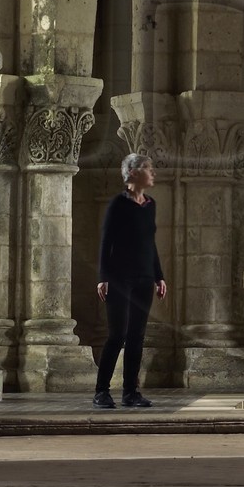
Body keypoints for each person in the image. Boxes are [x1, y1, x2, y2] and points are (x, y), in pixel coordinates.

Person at [93, 152, 167, 409]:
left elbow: (150, 243)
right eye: (148, 168)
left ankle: (130, 393)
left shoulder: (150, 205)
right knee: (117, 335)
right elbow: (106, 242)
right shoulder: (118, 205)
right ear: (133, 173)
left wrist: (159, 276)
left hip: (144, 278)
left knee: (137, 336)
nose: (153, 173)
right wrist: (103, 277)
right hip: (119, 279)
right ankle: (101, 391)